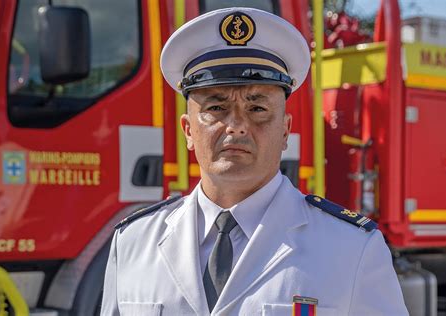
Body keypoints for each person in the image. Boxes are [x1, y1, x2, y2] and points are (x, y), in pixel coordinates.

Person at [101, 7, 408, 316]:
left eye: (257, 108)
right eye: (216, 107)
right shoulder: (132, 244)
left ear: (286, 130)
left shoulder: (352, 250)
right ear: (188, 130)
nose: (236, 125)